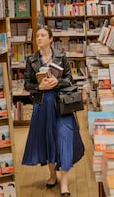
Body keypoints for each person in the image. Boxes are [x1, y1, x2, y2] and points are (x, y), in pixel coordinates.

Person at [22, 26, 85, 196]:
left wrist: (57, 82)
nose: (39, 38)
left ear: (51, 39)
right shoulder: (31, 60)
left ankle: (64, 183)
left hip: (61, 106)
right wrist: (39, 86)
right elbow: (27, 85)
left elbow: (70, 80)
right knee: (47, 140)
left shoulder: (61, 57)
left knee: (64, 138)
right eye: (37, 35)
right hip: (42, 106)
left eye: (43, 35)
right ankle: (52, 176)